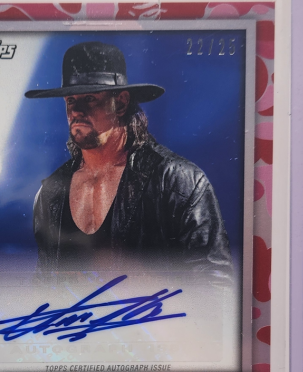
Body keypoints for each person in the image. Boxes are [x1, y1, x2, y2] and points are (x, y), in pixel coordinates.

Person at [25, 41, 233, 278]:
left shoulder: (178, 182)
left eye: (90, 98)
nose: (76, 111)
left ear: (121, 103)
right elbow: (43, 283)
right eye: (71, 100)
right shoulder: (51, 192)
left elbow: (215, 283)